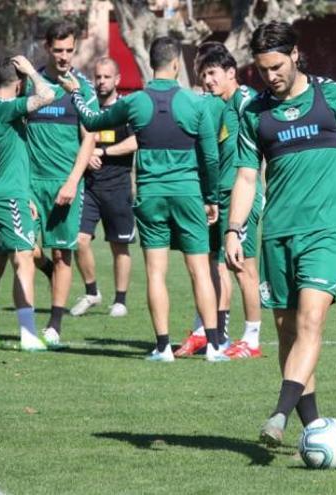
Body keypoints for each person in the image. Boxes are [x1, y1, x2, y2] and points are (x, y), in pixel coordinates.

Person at [224, 22, 336, 445]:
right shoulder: (254, 112)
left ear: (296, 54)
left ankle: (278, 415)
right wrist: (233, 229)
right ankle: (315, 429)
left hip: (326, 228)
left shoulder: (333, 98)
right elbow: (247, 177)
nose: (271, 76)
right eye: (263, 70)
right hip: (277, 232)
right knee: (286, 332)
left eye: (277, 66)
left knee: (311, 320)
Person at [60, 36, 226, 362]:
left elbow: (92, 121)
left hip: (150, 195)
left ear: (151, 63)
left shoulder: (135, 101)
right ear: (177, 63)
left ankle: (163, 347)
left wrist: (77, 94)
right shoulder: (196, 103)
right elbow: (210, 159)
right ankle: (214, 346)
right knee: (200, 272)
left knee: (155, 273)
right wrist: (212, 198)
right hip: (188, 193)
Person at [174, 42, 264, 360]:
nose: (207, 80)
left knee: (242, 268)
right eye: (203, 75)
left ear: (230, 72)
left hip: (241, 197)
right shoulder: (217, 106)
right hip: (215, 197)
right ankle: (212, 334)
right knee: (211, 263)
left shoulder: (246, 101)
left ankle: (252, 338)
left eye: (212, 73)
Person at [0, 56, 56, 352]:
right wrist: (34, 71)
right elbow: (48, 95)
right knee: (25, 261)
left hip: (2, 195)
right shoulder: (5, 108)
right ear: (19, 84)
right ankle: (29, 335)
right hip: (8, 198)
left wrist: (27, 196)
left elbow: (14, 160)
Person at [25, 21, 99, 348]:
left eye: (70, 50)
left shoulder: (83, 89)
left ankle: (54, 324)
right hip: (30, 183)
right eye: (58, 50)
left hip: (65, 183)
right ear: (47, 47)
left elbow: (89, 138)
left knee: (62, 255)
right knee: (25, 250)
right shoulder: (32, 85)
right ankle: (46, 274)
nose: (65, 56)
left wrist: (72, 181)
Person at [69, 57, 137, 319]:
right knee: (79, 240)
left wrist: (103, 151)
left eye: (107, 77)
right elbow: (80, 141)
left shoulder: (126, 108)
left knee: (119, 246)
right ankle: (92, 292)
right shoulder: (87, 110)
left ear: (117, 80)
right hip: (90, 187)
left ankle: (120, 300)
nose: (101, 82)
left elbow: (136, 142)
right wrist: (86, 154)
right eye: (97, 77)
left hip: (119, 186)